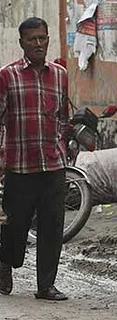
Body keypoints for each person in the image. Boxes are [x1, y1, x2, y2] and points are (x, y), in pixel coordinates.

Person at [0, 17, 69, 301]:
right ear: (22, 44)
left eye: (43, 38)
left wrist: (66, 146)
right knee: (15, 226)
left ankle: (46, 286)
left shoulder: (60, 75)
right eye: (32, 40)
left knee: (52, 227)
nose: (39, 44)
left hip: (53, 164)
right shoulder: (8, 76)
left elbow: (62, 117)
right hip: (20, 165)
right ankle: (5, 264)